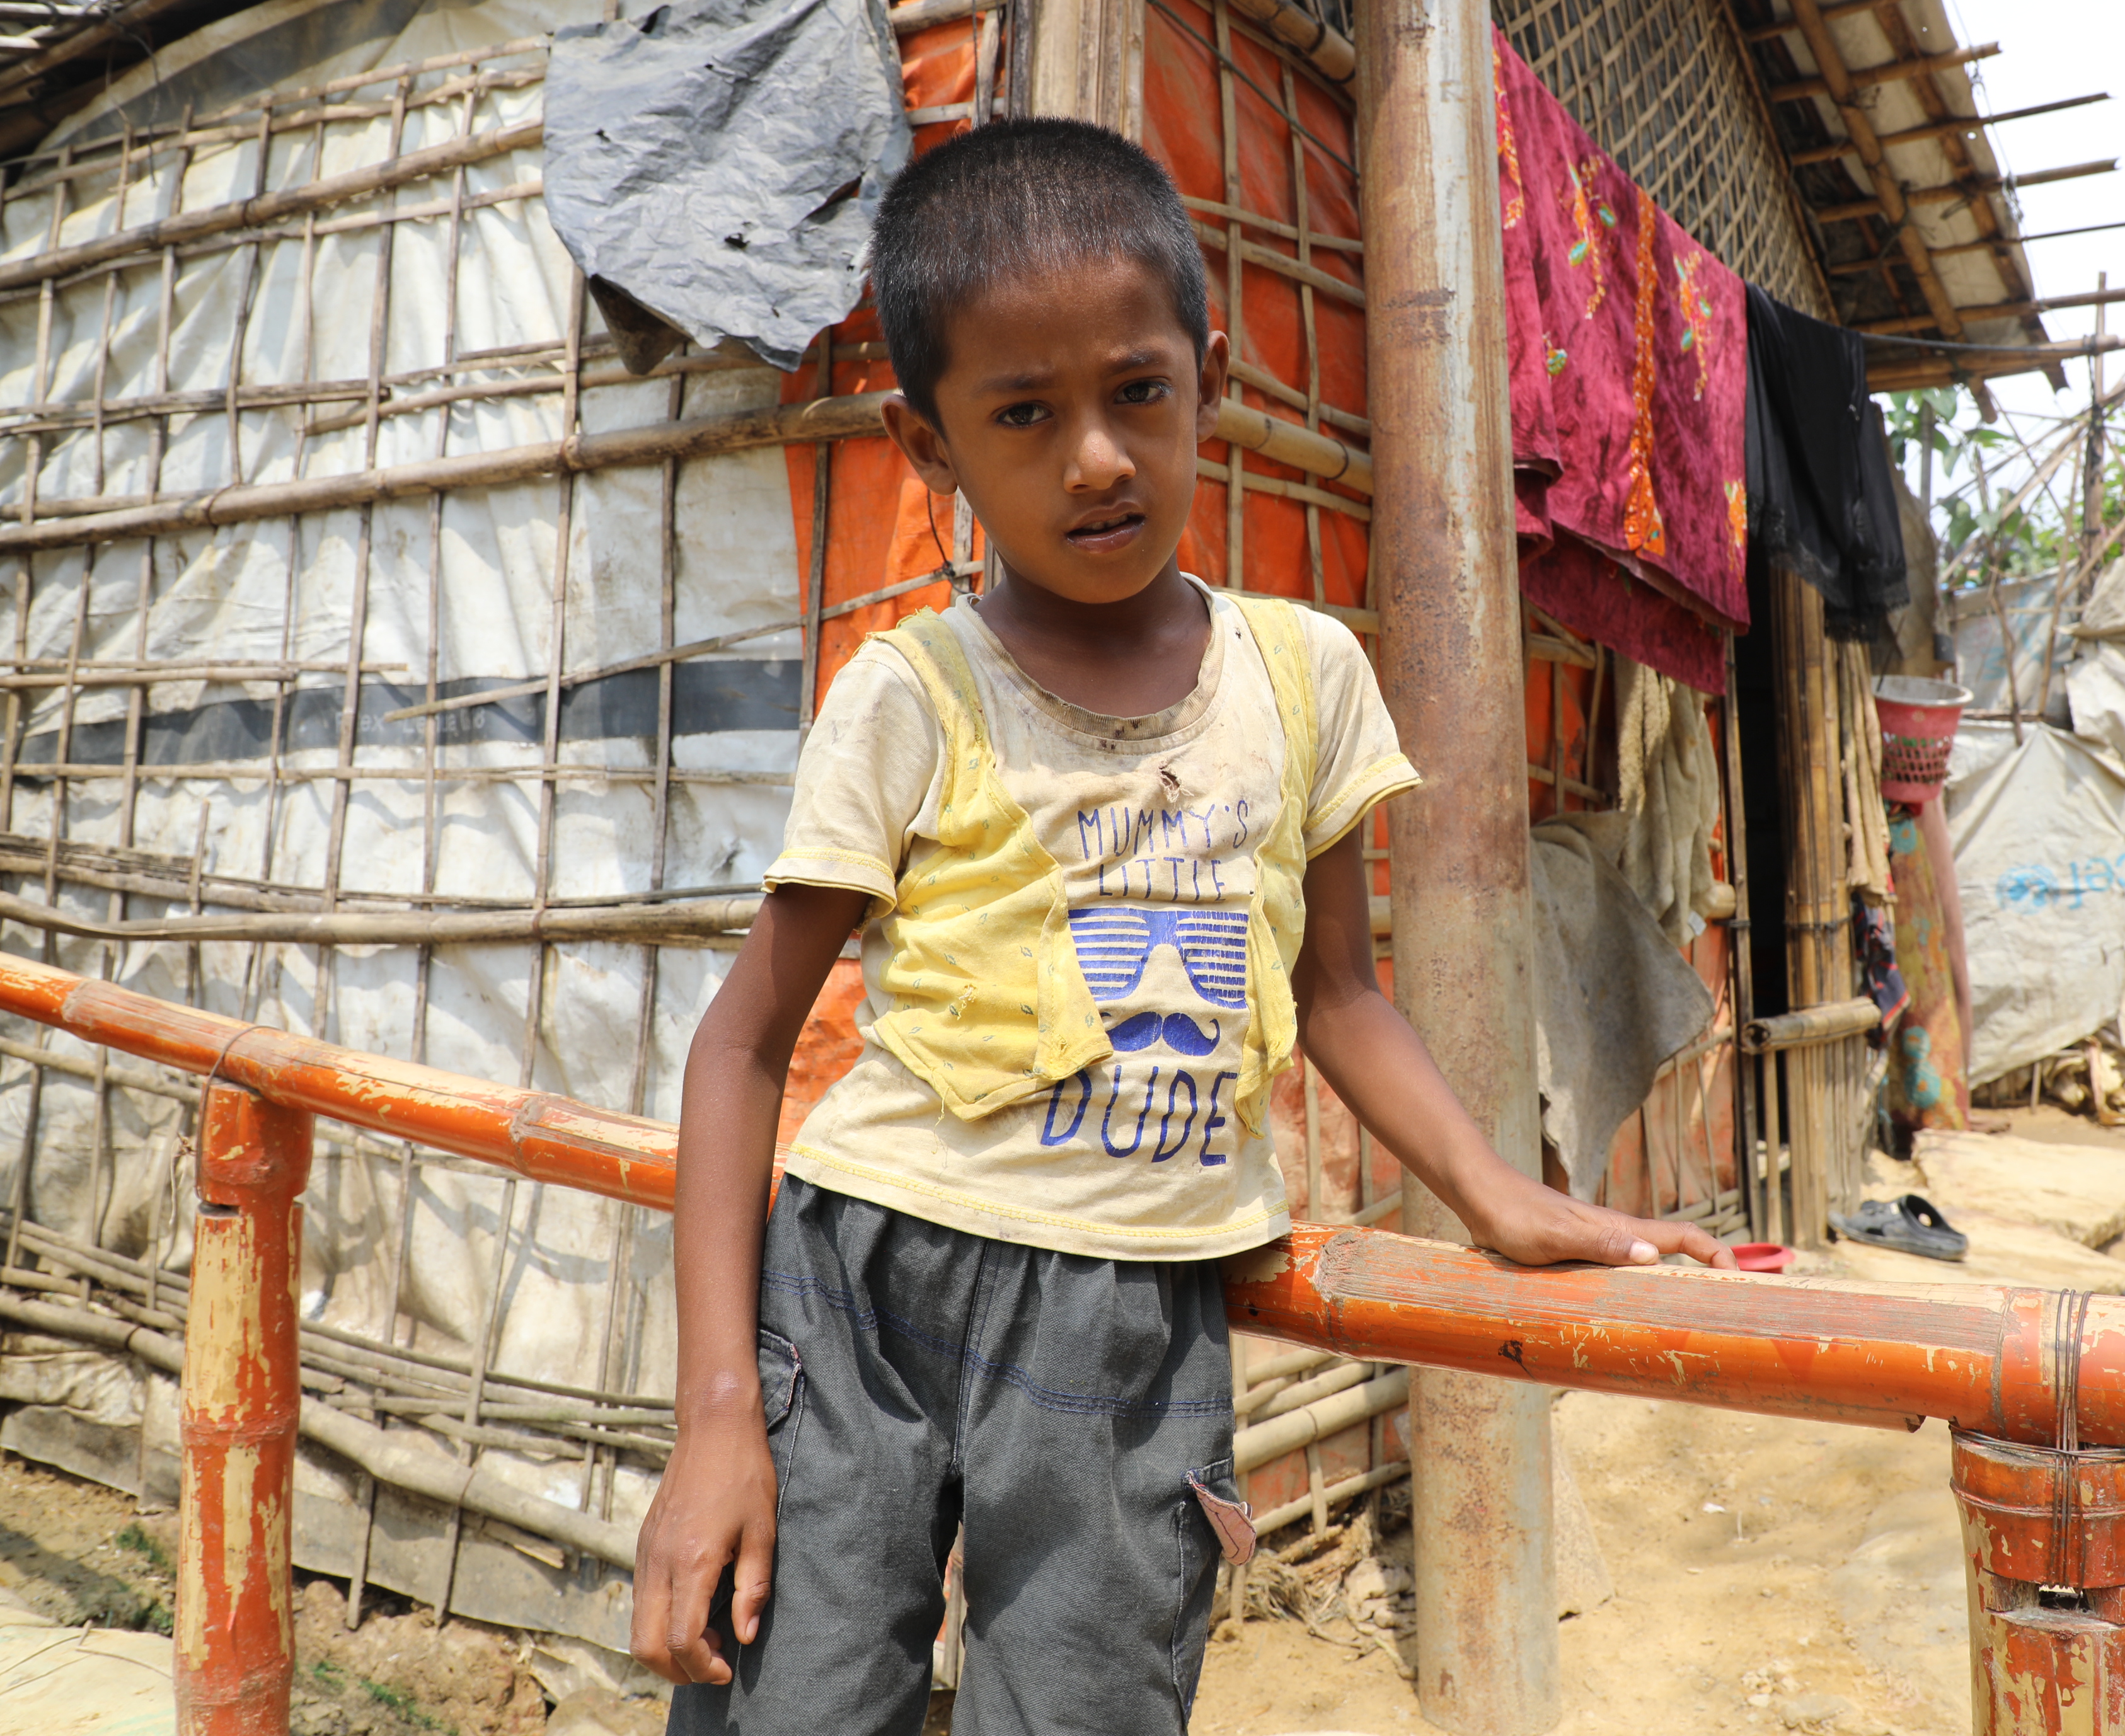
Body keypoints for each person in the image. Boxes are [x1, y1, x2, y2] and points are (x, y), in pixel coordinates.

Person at [630, 118, 1736, 1735]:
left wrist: (1498, 1192)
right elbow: (742, 1045)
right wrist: (720, 1412)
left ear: (1208, 382)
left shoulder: (1303, 677)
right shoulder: (912, 695)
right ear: (928, 444)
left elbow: (1338, 993)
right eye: (1024, 414)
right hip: (865, 1293)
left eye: (1136, 392)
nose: (1095, 458)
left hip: (1137, 1321)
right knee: (793, 1707)